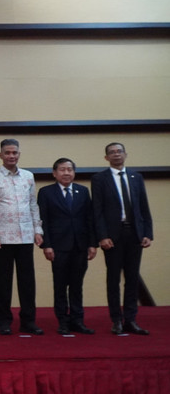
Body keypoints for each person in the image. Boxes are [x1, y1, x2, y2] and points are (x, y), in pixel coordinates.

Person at [91, 142, 153, 335]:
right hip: (112, 237)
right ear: (106, 158)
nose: (116, 155)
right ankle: (116, 320)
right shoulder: (100, 179)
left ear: (126, 154)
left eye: (119, 151)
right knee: (113, 279)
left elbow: (144, 207)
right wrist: (102, 236)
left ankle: (131, 320)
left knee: (132, 279)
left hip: (134, 234)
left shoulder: (136, 177)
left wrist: (147, 233)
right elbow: (97, 211)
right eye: (112, 152)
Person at [0, 139, 44, 335]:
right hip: (2, 238)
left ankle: (28, 321)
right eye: (7, 152)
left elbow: (33, 204)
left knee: (27, 282)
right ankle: (3, 322)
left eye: (15, 152)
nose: (11, 156)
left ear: (19, 154)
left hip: (26, 235)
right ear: (0, 155)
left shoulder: (28, 176)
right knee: (2, 282)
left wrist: (38, 230)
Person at [38, 158, 97, 335]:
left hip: (80, 245)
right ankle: (62, 321)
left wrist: (92, 244)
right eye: (62, 170)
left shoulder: (83, 191)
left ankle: (78, 321)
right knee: (60, 285)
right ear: (54, 173)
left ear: (74, 172)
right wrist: (47, 245)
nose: (66, 173)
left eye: (69, 169)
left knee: (77, 285)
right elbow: (44, 221)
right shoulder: (46, 192)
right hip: (58, 246)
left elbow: (89, 219)